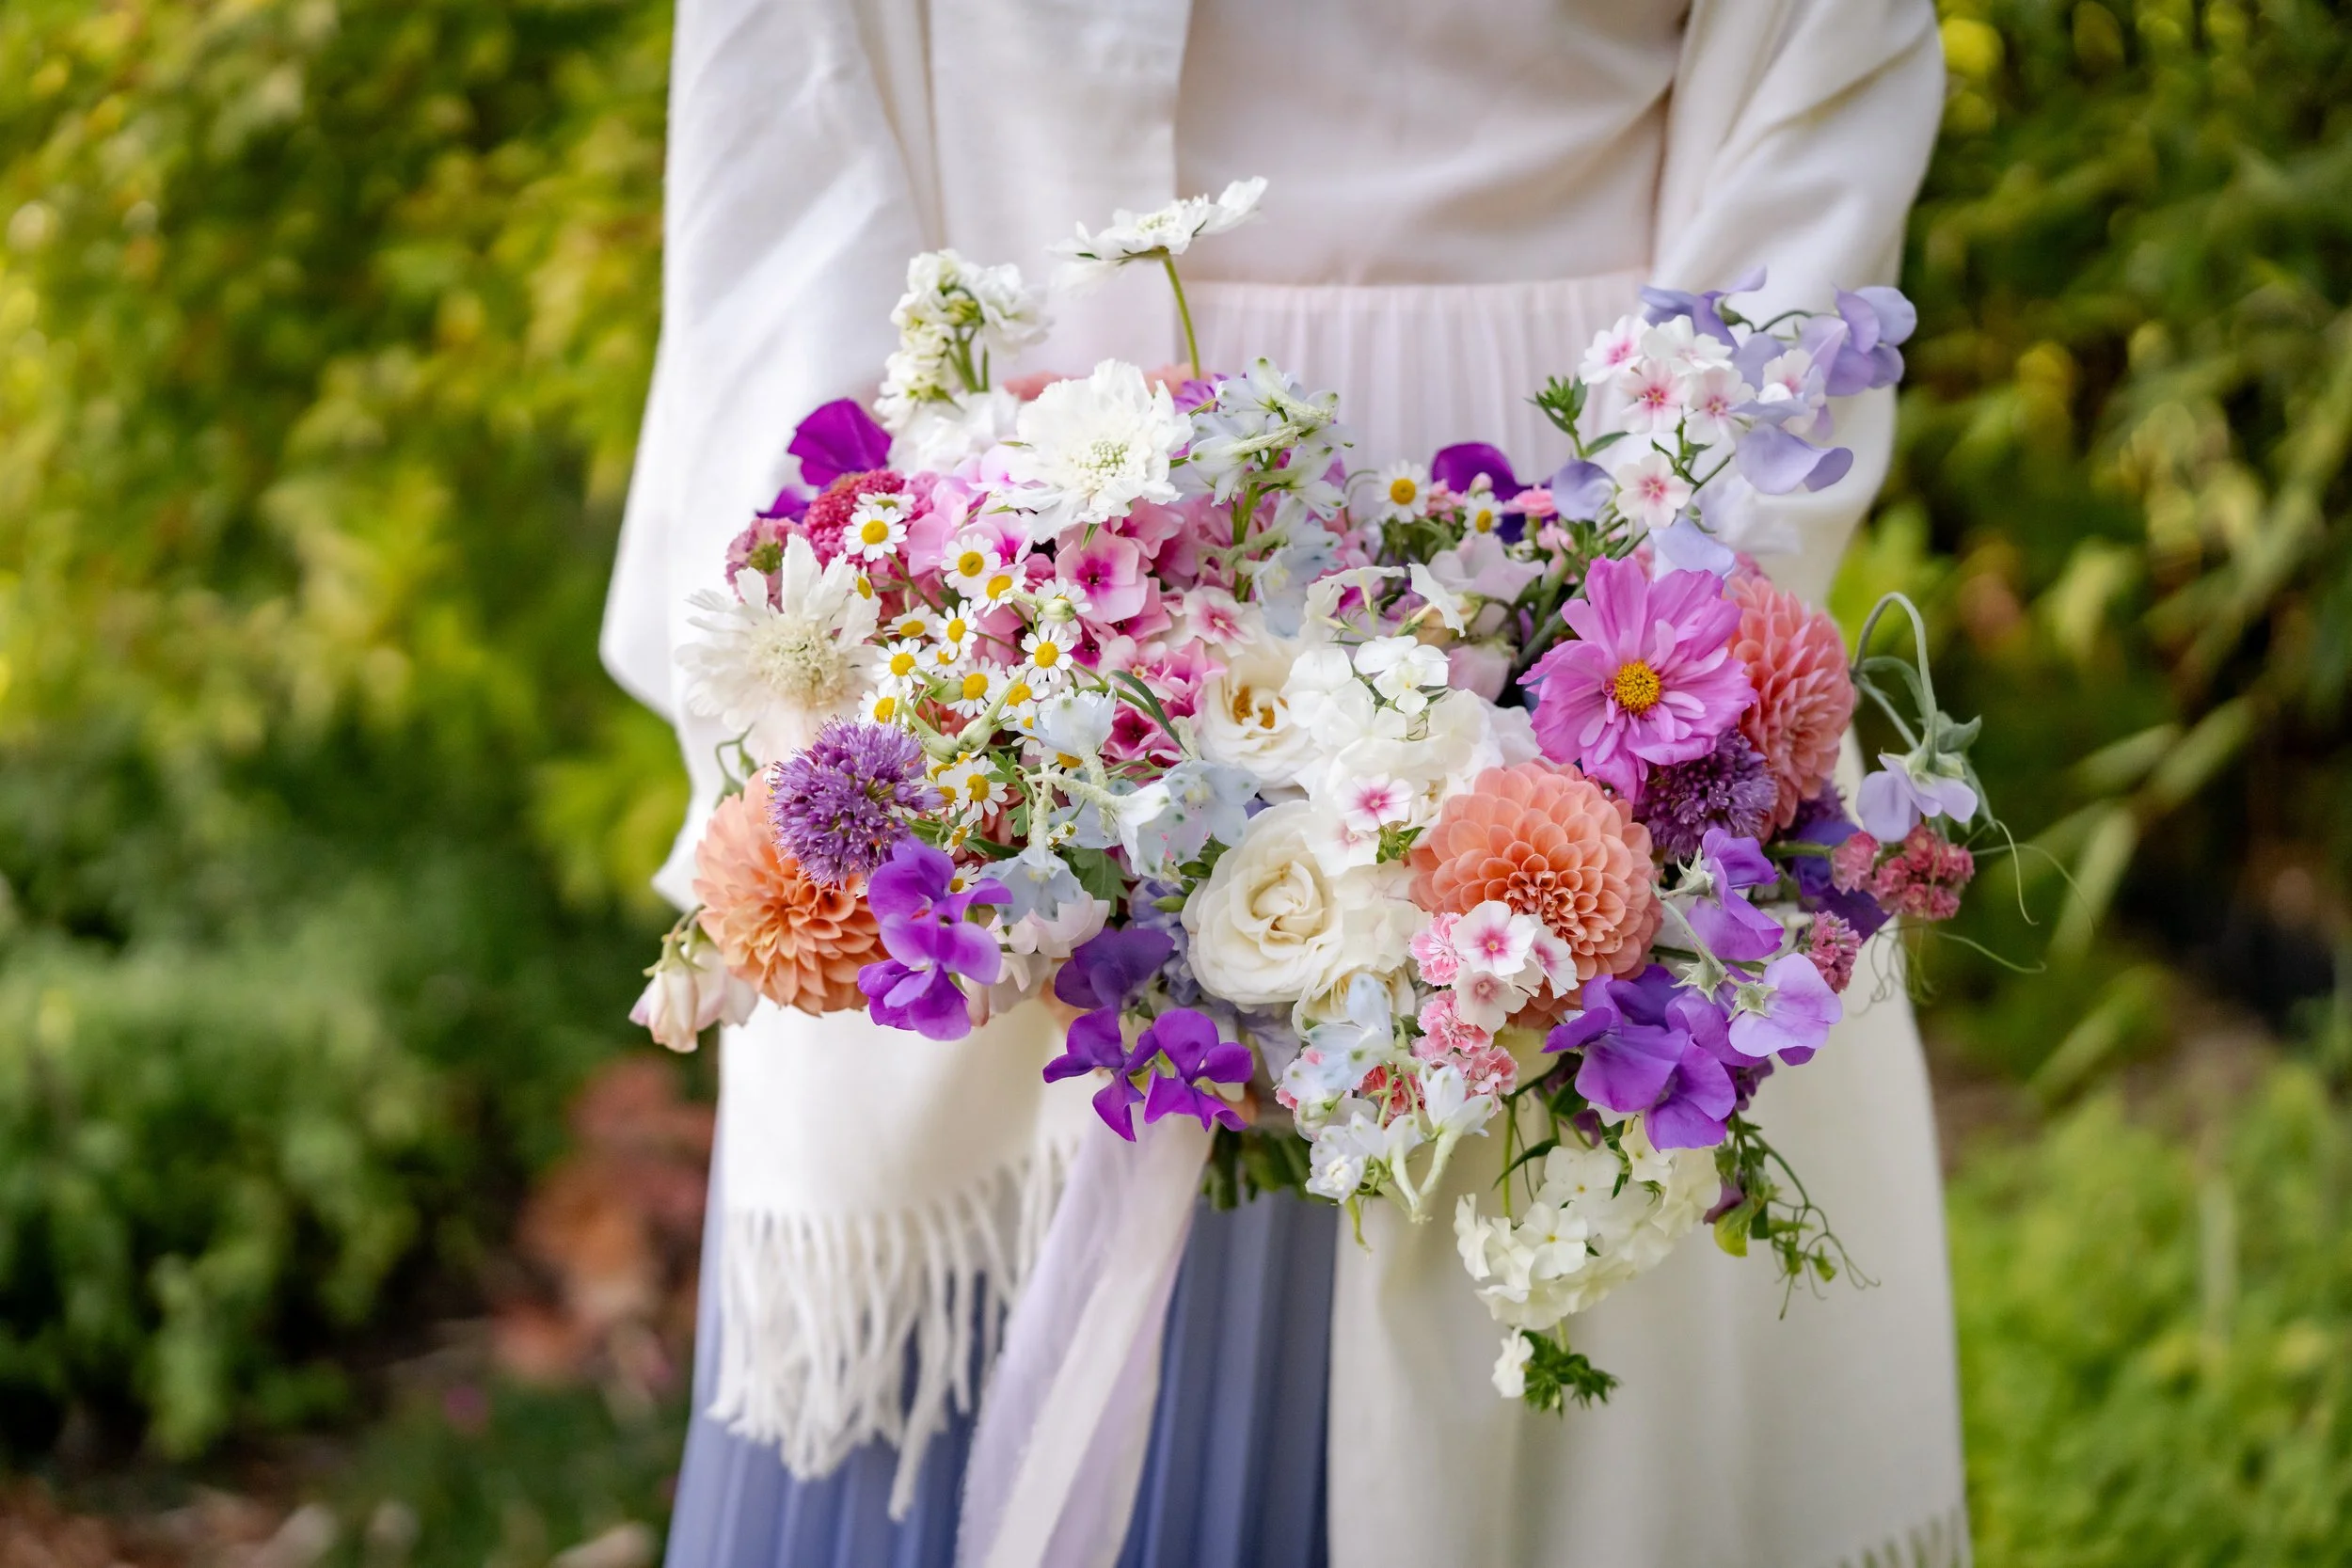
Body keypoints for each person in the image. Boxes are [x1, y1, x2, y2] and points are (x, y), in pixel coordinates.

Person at [602, 3, 1964, 1564]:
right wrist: (937, 689)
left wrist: (1621, 740)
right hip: (1012, 573)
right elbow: (789, 165)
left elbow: (1809, 135)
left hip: (1581, 593)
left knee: (1552, 1301)